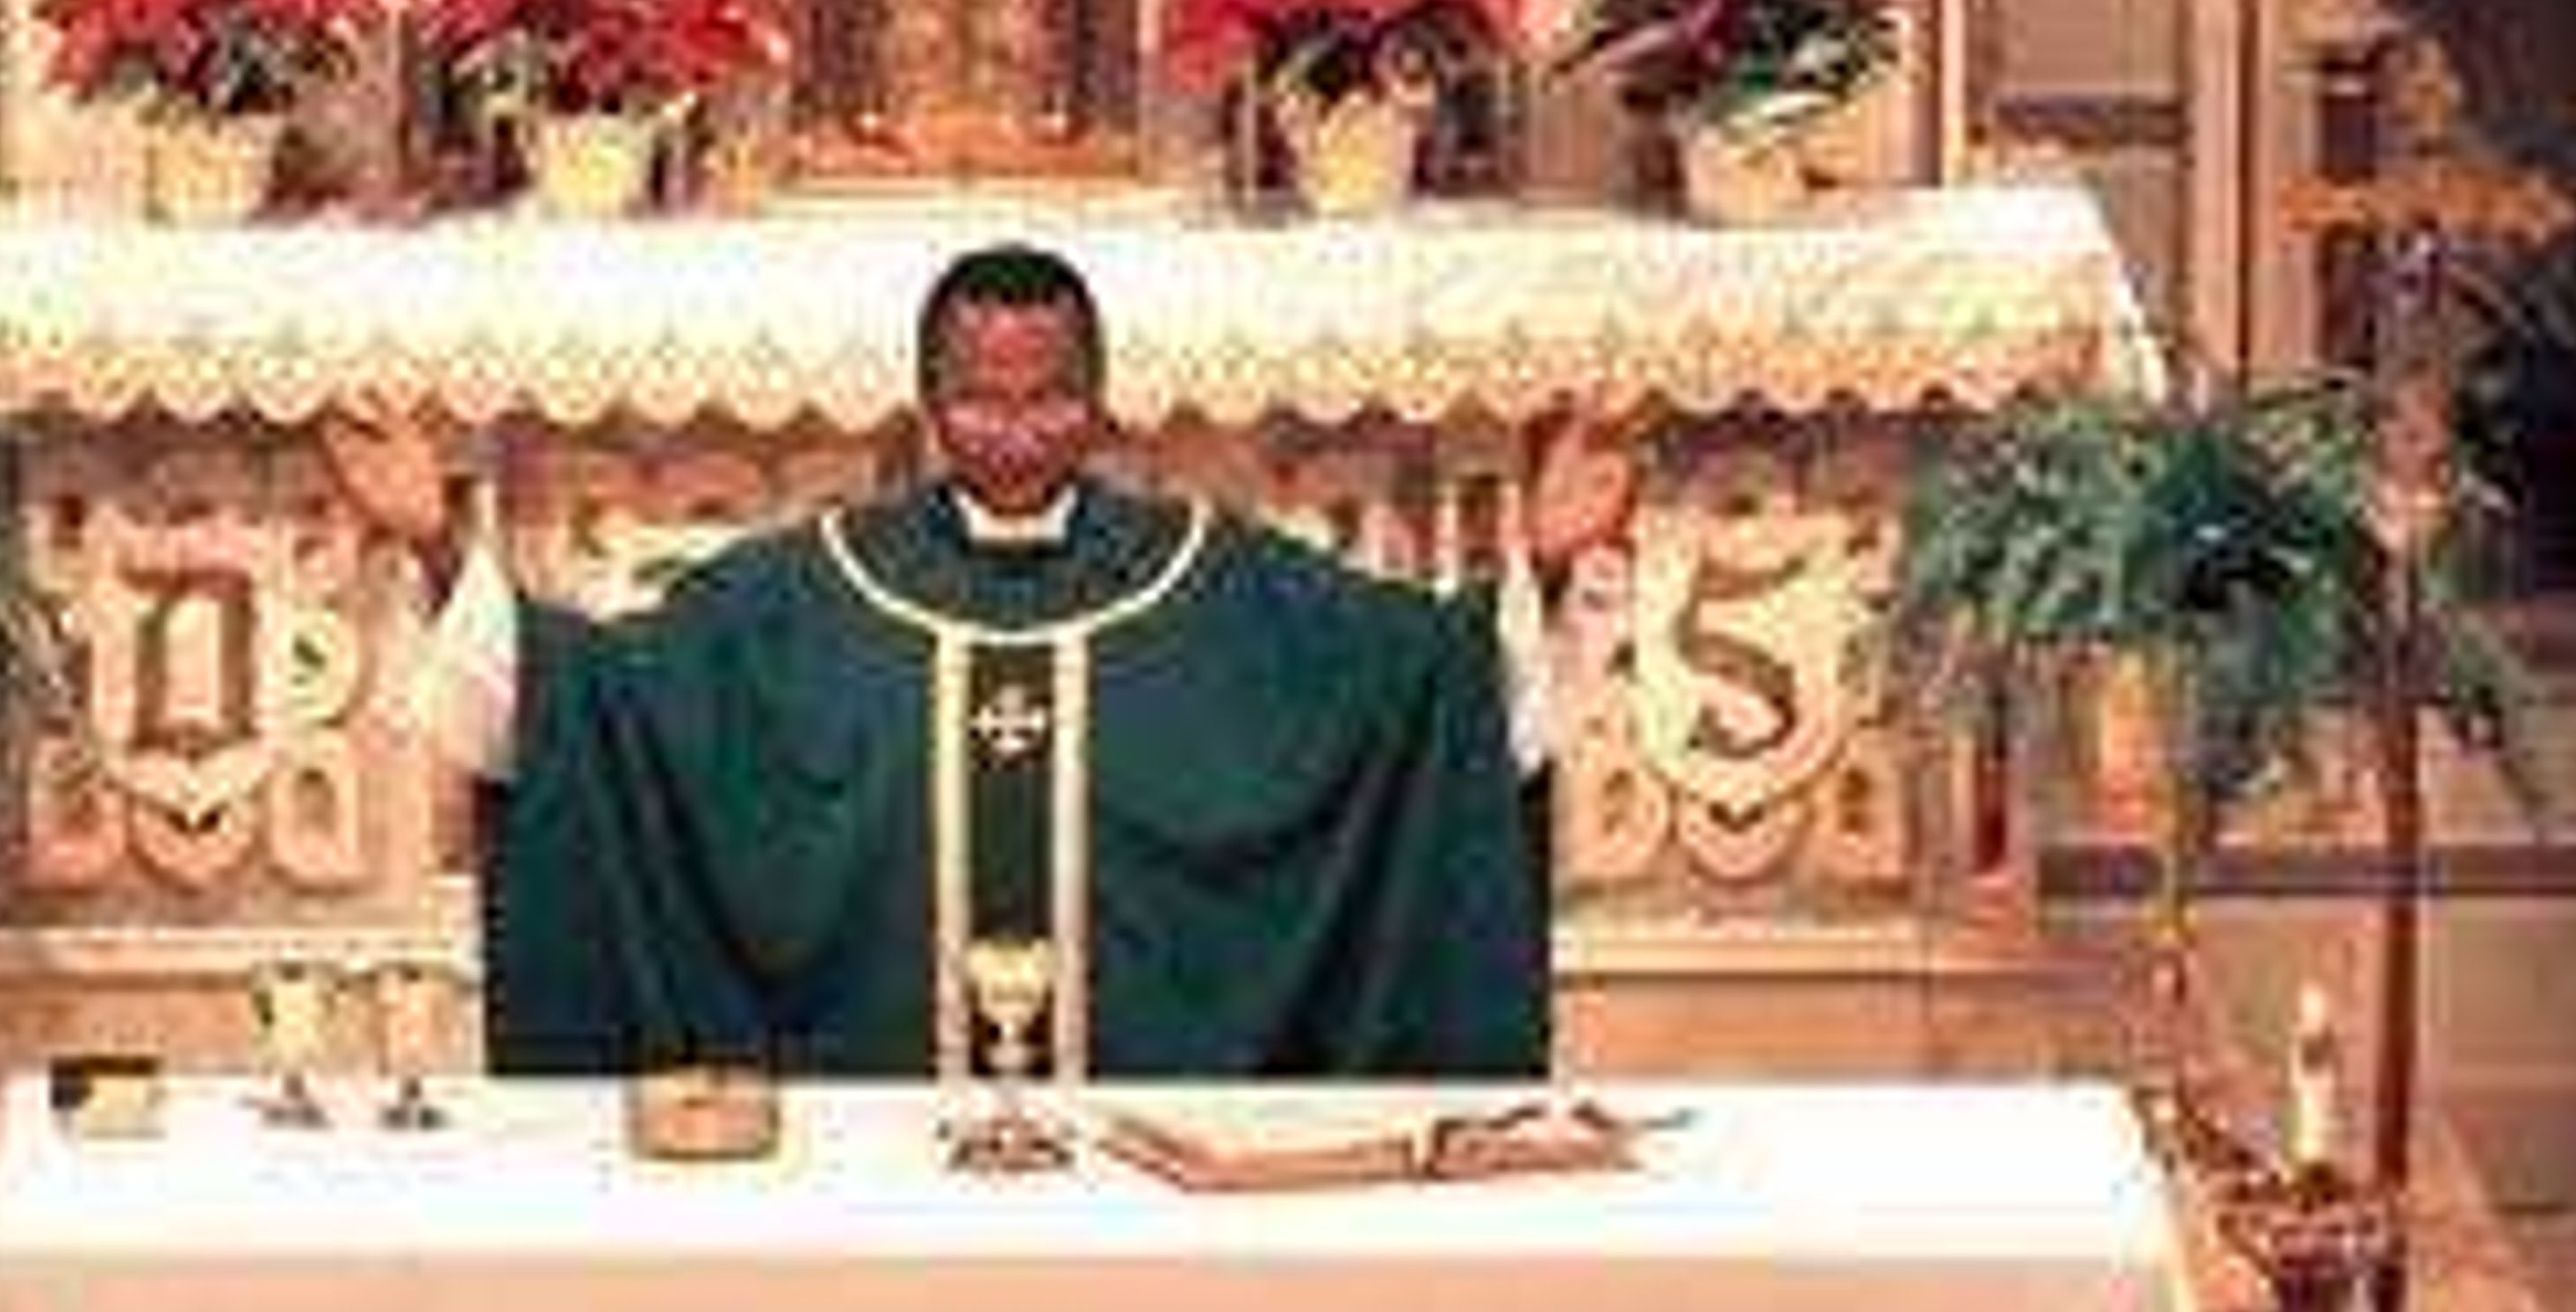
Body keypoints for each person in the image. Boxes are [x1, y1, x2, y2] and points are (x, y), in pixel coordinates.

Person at [326, 239, 1634, 1089]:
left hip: (1152, 1177)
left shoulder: (1217, 574)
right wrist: (434, 536)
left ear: (1101, 392)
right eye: (982, 398)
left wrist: (1553, 557)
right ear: (927, 400)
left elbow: (1427, 686)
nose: (1016, 427)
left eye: (1049, 392)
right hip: (868, 1177)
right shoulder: (810, 582)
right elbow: (595, 700)